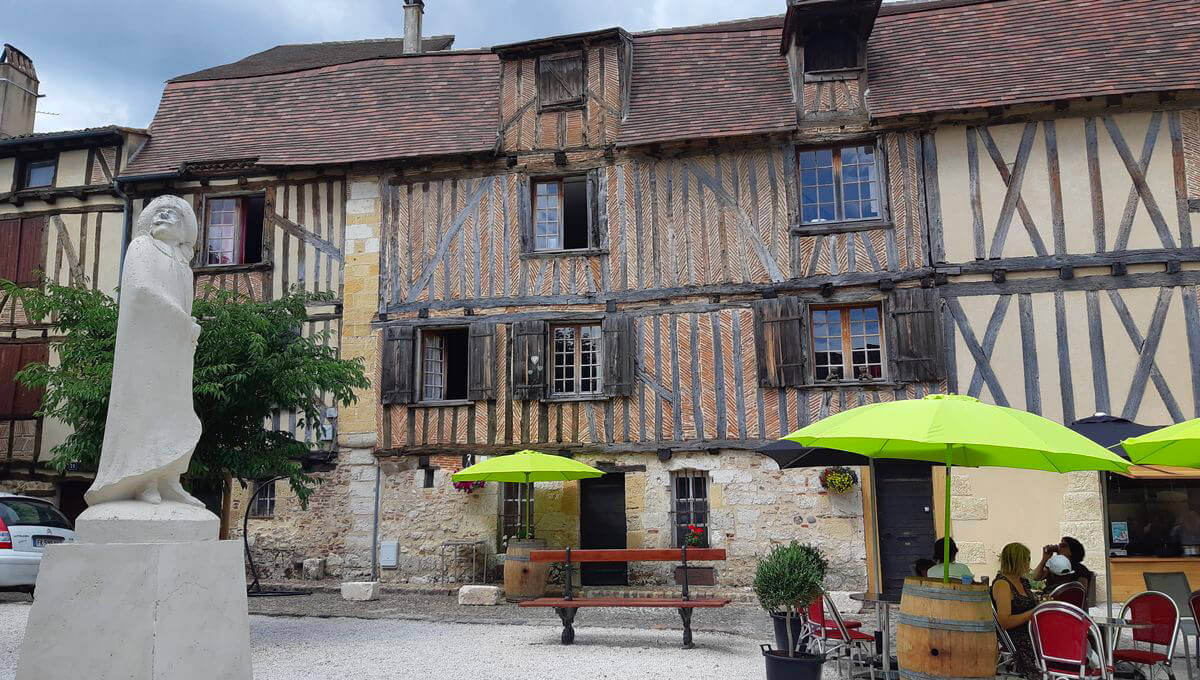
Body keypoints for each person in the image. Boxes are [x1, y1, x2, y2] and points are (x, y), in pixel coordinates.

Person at [992, 542, 1039, 679]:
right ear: (1018, 561)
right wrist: (1033, 613)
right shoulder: (1003, 585)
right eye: (1027, 559)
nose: (1029, 562)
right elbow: (1005, 621)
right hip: (1019, 636)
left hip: (1031, 629)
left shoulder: (1022, 581)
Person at [1035, 536, 1095, 605]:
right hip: (1048, 602)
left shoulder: (1081, 570)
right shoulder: (1054, 565)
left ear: (1072, 551)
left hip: (1065, 606)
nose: (1059, 547)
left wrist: (1053, 597)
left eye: (1063, 546)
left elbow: (1081, 593)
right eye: (1059, 544)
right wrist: (1044, 559)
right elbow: (1036, 577)